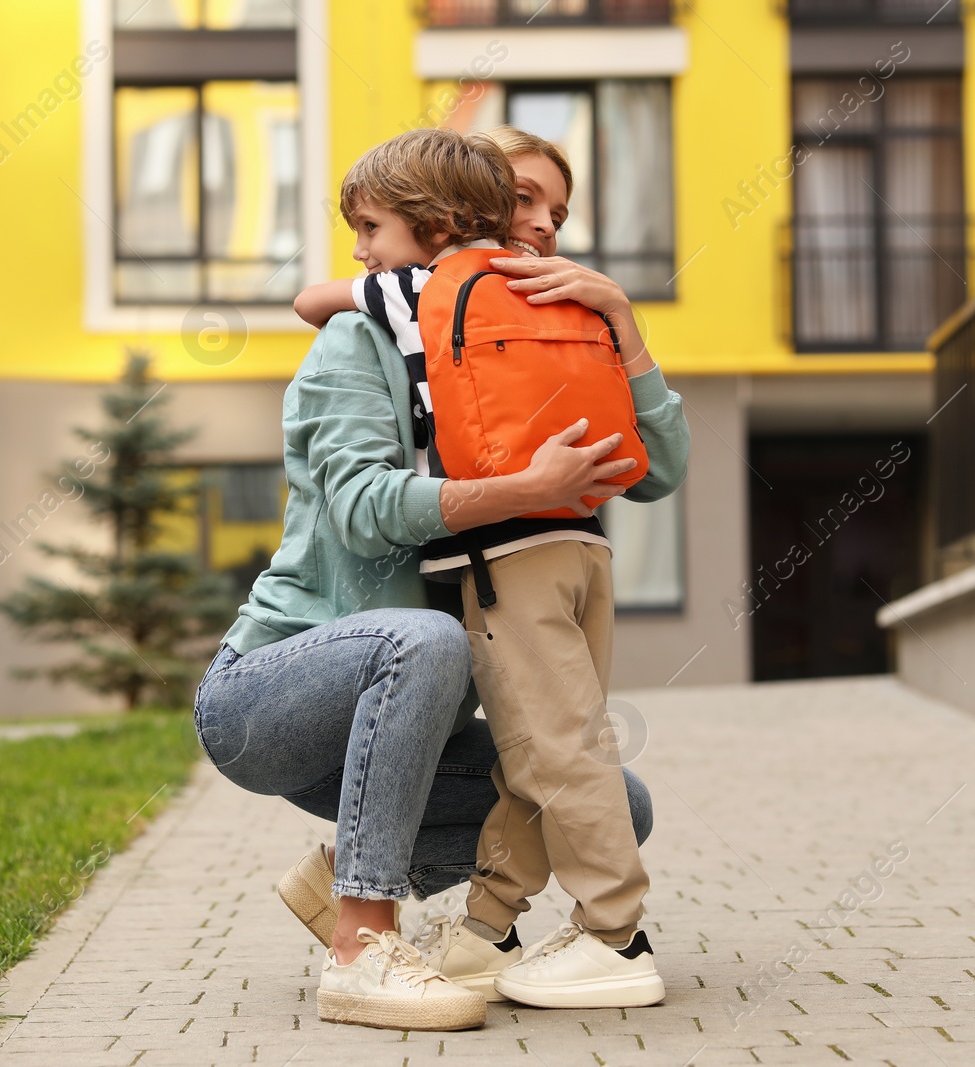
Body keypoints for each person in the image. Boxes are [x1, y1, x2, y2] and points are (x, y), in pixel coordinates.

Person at [192, 128, 677, 1032]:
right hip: (271, 696)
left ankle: (357, 873)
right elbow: (361, 506)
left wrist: (625, 326)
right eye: (522, 205)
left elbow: (658, 467)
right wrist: (522, 488)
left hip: (408, 721)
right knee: (425, 635)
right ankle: (363, 941)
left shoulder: (506, 348)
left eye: (368, 226)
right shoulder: (355, 341)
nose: (540, 230)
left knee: (616, 801)